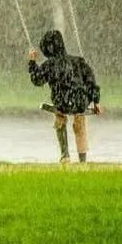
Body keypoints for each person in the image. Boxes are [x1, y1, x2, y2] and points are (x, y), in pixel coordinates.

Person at [27, 29, 102, 164]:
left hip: (61, 102)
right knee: (80, 123)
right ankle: (82, 159)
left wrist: (32, 62)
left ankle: (65, 155)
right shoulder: (78, 61)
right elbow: (90, 80)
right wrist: (96, 101)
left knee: (60, 118)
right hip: (80, 102)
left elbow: (37, 80)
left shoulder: (49, 65)